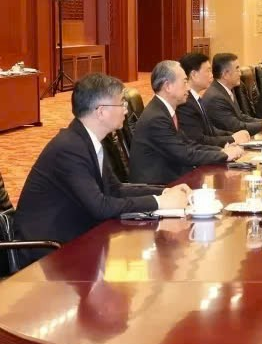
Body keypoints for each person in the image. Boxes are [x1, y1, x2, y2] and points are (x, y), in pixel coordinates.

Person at [13, 74, 190, 262]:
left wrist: (165, 192)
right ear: (101, 111)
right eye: (121, 103)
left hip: (76, 235)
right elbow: (100, 207)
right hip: (47, 250)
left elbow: (115, 189)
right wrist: (159, 202)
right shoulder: (69, 148)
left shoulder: (89, 140)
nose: (126, 109)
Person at [130, 61, 243, 184]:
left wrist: (220, 151)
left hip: (173, 176)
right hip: (159, 186)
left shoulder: (164, 111)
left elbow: (188, 144)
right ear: (168, 86)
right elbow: (184, 154)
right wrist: (224, 155)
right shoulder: (156, 118)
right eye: (184, 82)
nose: (188, 88)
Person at [176, 52, 251, 148]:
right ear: (194, 75)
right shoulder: (185, 103)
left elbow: (211, 130)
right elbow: (199, 140)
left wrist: (233, 135)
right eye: (208, 71)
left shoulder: (196, 98)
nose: (211, 75)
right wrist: (232, 139)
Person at [203, 52, 262, 135]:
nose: (240, 74)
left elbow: (240, 116)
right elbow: (235, 127)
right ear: (225, 74)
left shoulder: (226, 90)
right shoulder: (216, 97)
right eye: (237, 69)